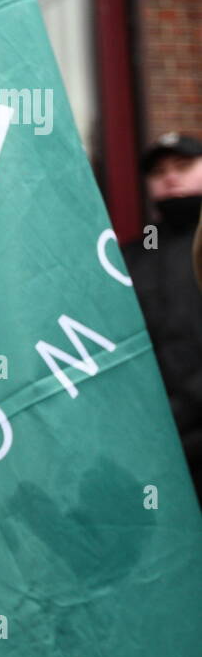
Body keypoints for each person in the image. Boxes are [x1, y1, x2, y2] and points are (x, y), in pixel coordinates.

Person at [123, 131, 202, 501]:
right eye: (159, 172)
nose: (170, 177)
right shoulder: (133, 257)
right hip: (158, 446)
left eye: (183, 166)